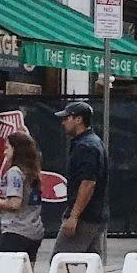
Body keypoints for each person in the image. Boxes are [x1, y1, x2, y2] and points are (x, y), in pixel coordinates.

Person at [52, 101, 108, 260]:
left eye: (66, 118)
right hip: (94, 213)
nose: (63, 122)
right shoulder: (93, 142)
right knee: (93, 263)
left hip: (86, 215)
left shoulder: (86, 146)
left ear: (78, 120)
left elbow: (88, 183)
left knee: (60, 262)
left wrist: (74, 216)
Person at [0, 129, 46, 266]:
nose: (4, 152)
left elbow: (14, 203)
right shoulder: (33, 172)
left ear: (16, 149)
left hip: (16, 230)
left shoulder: (15, 172)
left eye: (7, 148)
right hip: (34, 230)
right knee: (25, 272)